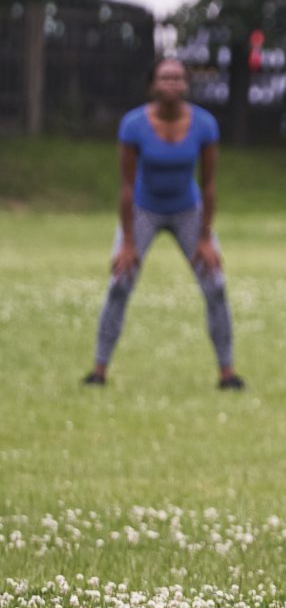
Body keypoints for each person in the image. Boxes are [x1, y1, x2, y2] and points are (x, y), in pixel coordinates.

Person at [88, 56, 242, 390]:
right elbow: (127, 187)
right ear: (153, 85)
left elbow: (210, 184)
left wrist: (205, 237)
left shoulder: (204, 124)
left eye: (177, 78)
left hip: (189, 210)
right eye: (164, 78)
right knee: (119, 285)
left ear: (186, 84)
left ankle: (227, 374)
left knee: (215, 285)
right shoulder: (133, 125)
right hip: (143, 210)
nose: (171, 83)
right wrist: (128, 242)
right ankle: (98, 371)